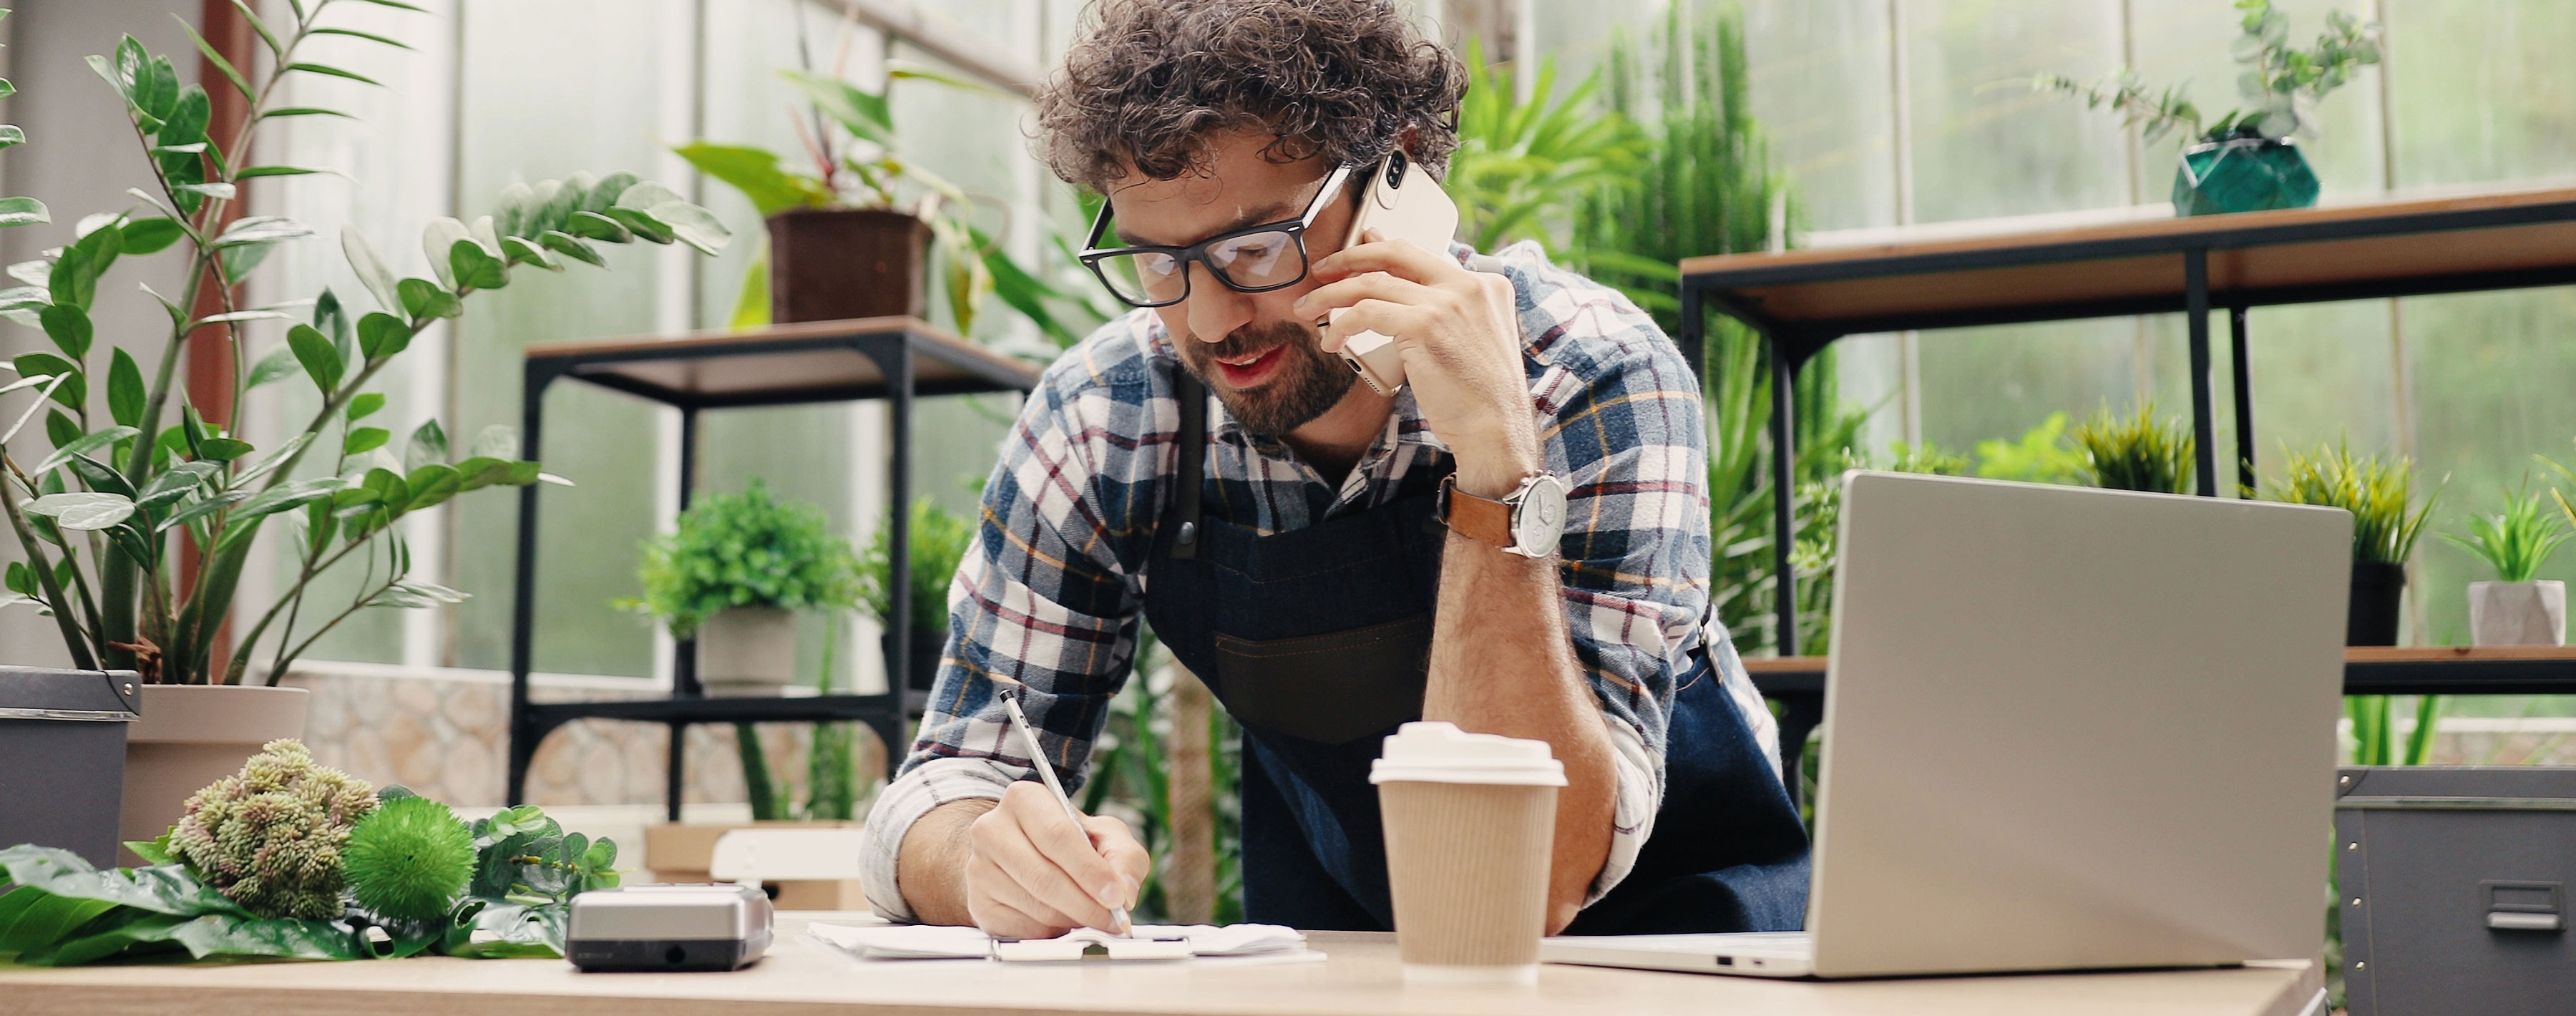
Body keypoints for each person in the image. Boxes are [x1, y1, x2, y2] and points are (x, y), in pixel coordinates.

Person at [858, 0, 1808, 938]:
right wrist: (984, 861)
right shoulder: (1109, 417)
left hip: (1681, 949)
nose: (1213, 320)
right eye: (1158, 264)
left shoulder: (1588, 375)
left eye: (1254, 248)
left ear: (1392, 178)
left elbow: (1538, 879)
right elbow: (948, 783)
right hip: (1353, 947)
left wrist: (1496, 472)